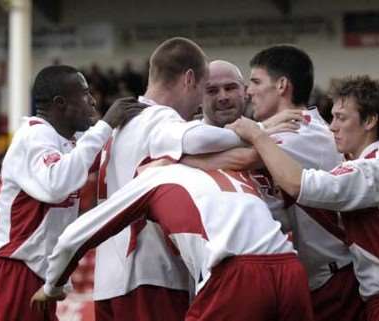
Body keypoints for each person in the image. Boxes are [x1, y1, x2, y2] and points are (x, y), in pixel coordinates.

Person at [183, 45, 363, 321]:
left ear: (281, 86)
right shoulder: (293, 127)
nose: (249, 91)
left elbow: (238, 159)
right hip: (318, 275)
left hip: (334, 276)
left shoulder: (299, 132)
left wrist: (176, 162)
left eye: (255, 82)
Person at [228, 75, 379, 321]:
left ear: (370, 120)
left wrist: (258, 135)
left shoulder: (373, 170)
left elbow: (296, 183)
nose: (332, 126)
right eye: (333, 116)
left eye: (341, 118)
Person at [92, 39, 259, 321]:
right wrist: (260, 132)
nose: (199, 104)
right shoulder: (157, 118)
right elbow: (197, 137)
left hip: (109, 279)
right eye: (204, 90)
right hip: (150, 275)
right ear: (190, 79)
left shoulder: (123, 123)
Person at [31, 160, 314, 321]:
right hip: (290, 268)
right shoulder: (228, 171)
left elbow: (74, 237)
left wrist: (53, 285)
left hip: (239, 276)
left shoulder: (154, 177)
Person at [0, 65, 136, 321]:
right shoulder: (33, 137)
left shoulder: (66, 143)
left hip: (36, 278)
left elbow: (102, 156)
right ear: (61, 103)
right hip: (12, 274)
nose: (93, 101)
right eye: (85, 94)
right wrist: (105, 125)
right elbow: (56, 184)